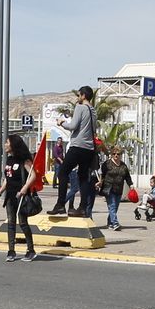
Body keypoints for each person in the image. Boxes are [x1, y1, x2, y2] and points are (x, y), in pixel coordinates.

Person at [55, 86, 97, 218]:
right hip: (89, 148)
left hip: (77, 146)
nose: (78, 98)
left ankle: (61, 204)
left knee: (63, 172)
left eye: (79, 95)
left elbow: (73, 126)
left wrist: (62, 123)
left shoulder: (80, 107)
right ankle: (83, 207)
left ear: (83, 96)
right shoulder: (93, 111)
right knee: (83, 177)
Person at [2, 133, 38, 261]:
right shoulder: (9, 159)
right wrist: (0, 191)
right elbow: (8, 177)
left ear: (14, 144)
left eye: (7, 142)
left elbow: (33, 175)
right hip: (10, 196)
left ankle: (31, 249)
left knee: (23, 223)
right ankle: (11, 251)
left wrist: (24, 189)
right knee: (10, 223)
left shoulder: (24, 159)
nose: (5, 145)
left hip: (21, 196)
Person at [96, 145, 133, 231]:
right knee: (112, 205)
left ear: (121, 155)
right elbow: (102, 174)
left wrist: (131, 185)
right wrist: (100, 182)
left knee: (115, 207)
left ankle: (110, 222)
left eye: (118, 154)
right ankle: (115, 223)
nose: (116, 155)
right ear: (111, 155)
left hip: (119, 188)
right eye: (114, 154)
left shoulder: (123, 166)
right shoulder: (107, 164)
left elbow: (127, 176)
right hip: (108, 188)